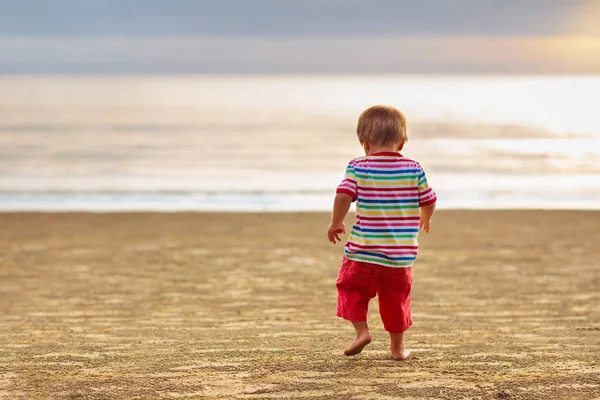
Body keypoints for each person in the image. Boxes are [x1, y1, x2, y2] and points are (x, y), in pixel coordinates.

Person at [327, 105, 437, 360]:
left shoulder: (358, 166)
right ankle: (398, 350)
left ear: (364, 143)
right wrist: (426, 218)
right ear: (402, 142)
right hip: (400, 258)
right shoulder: (414, 168)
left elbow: (343, 194)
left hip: (363, 253)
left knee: (351, 289)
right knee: (396, 300)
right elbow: (429, 199)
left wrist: (336, 222)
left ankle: (362, 331)